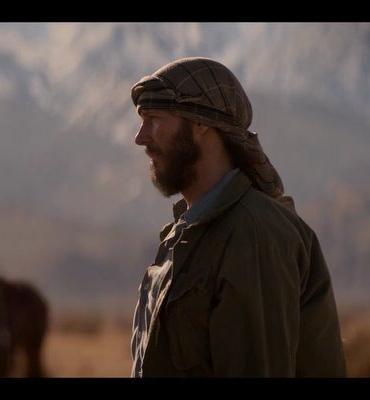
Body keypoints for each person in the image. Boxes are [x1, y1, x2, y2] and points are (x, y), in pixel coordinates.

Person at [129, 57, 346, 377]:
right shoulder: (186, 234)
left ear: (201, 122)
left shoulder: (254, 235)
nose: (141, 137)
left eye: (154, 119)